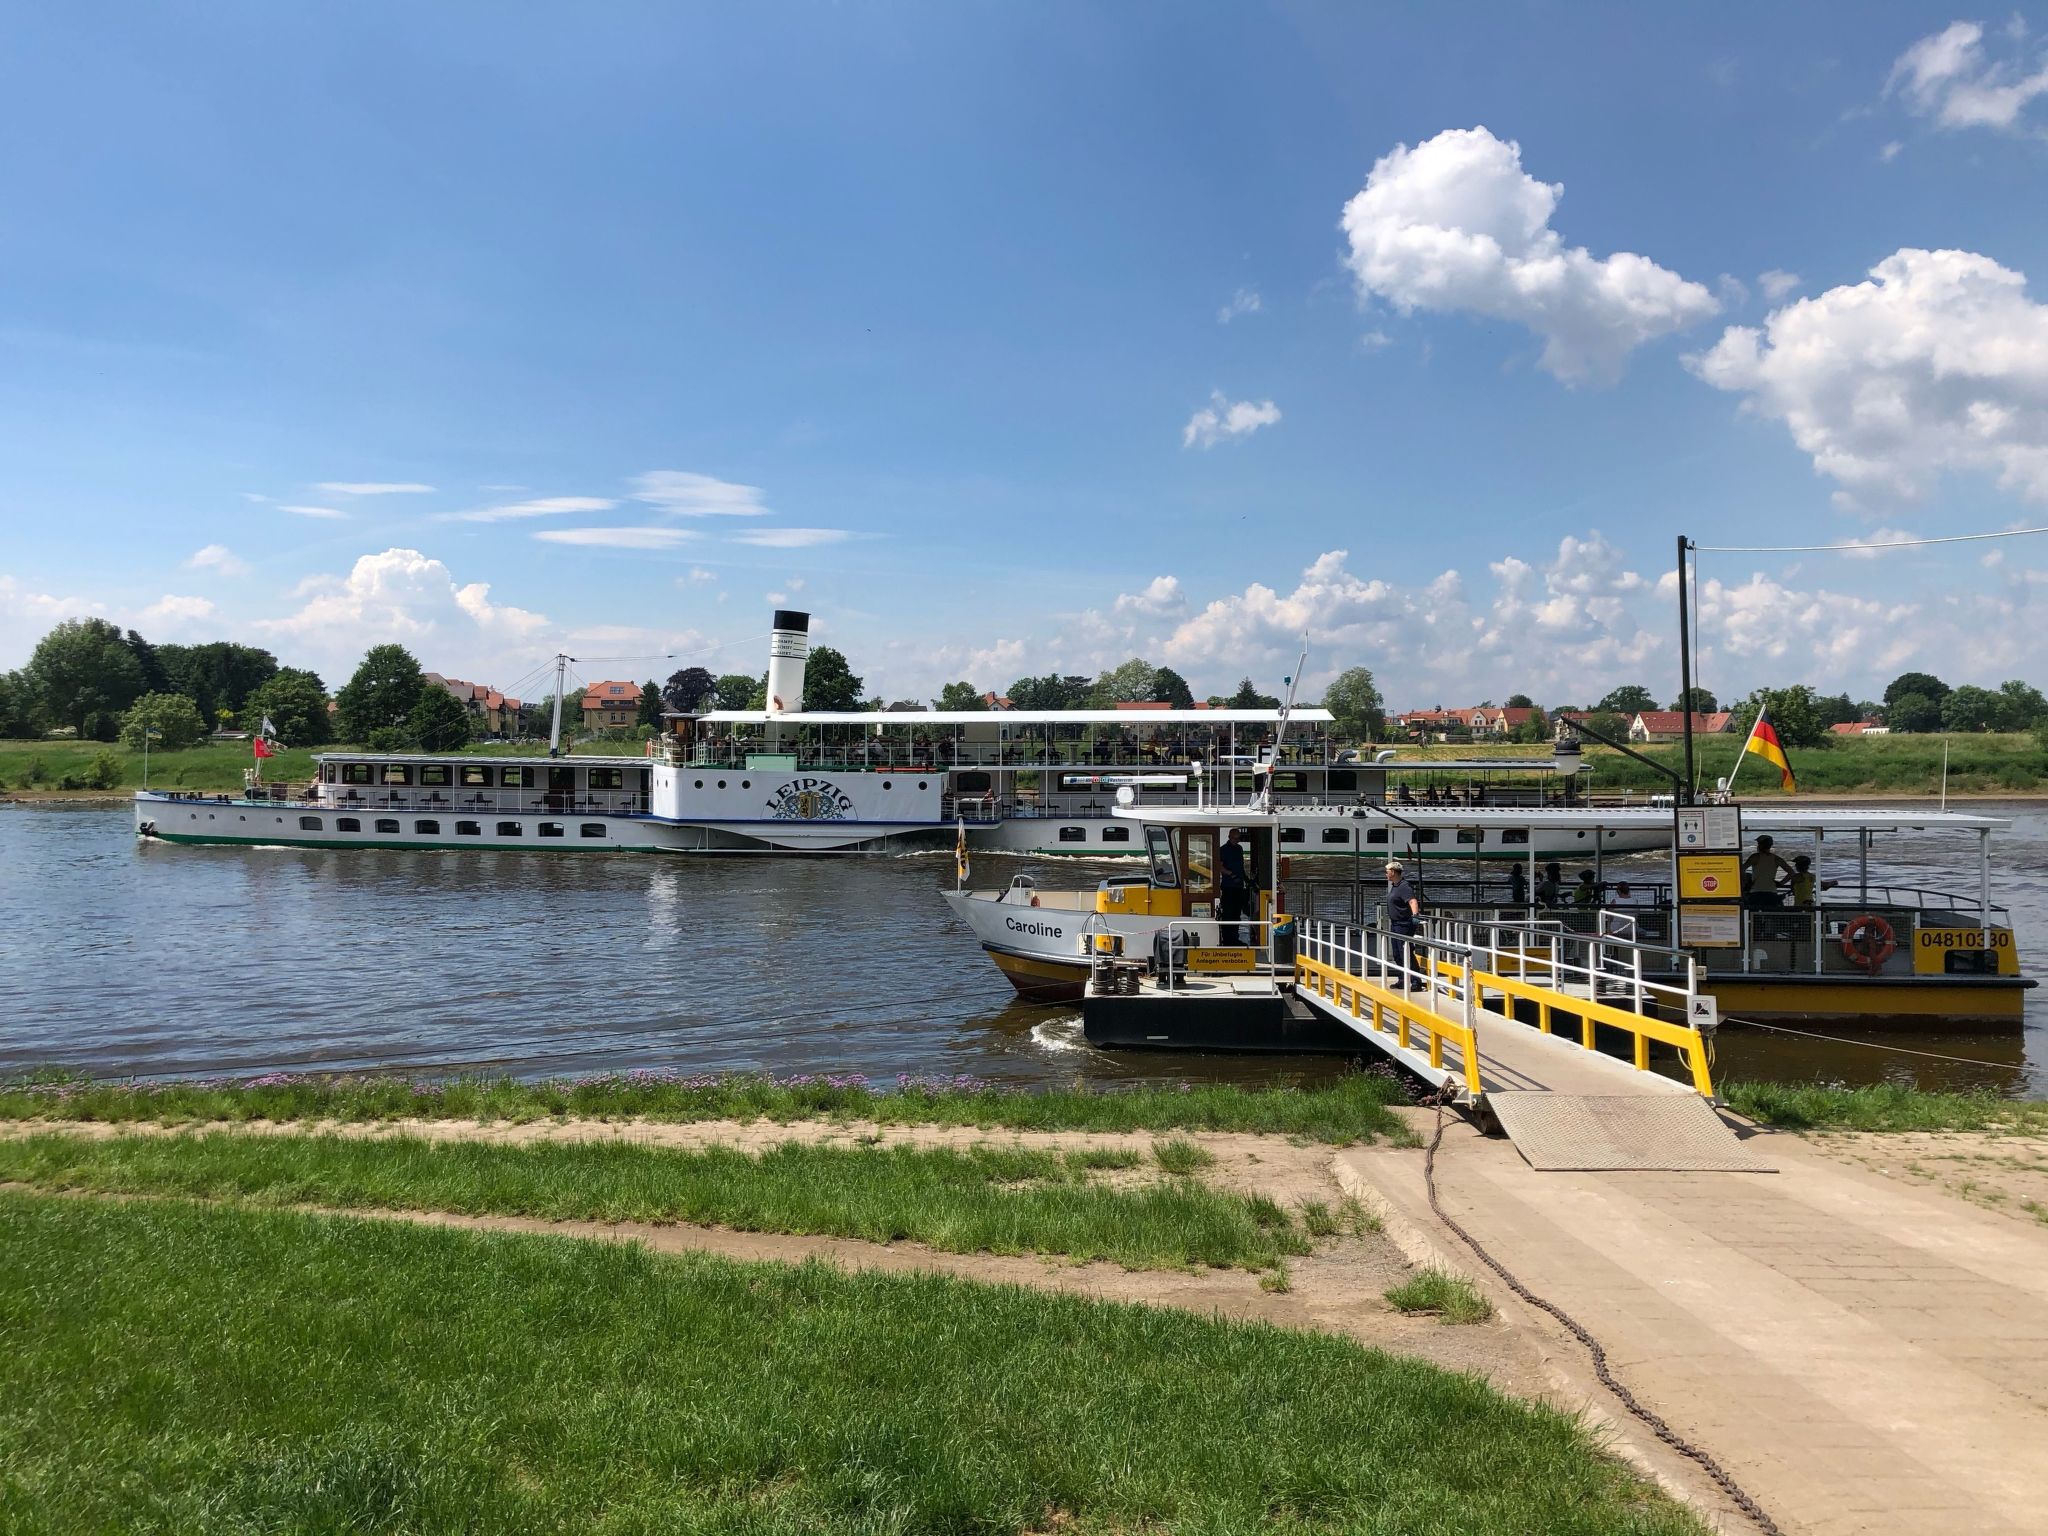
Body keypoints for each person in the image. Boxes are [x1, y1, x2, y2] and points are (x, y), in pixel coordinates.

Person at [1384, 859, 1421, 988]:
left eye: (1387, 872)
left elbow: (1412, 901)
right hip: (1395, 924)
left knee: (1405, 951)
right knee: (1397, 953)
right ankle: (1403, 979)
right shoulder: (1395, 886)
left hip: (1403, 924)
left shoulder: (1404, 886)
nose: (1386, 874)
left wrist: (1415, 916)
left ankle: (1416, 981)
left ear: (1393, 872)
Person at [1217, 828, 1251, 947]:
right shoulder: (1223, 850)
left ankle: (1235, 939)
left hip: (1239, 886)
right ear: (1229, 837)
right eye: (1234, 838)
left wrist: (1246, 879)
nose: (1236, 840)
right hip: (1228, 887)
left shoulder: (1239, 849)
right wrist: (1231, 875)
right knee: (1228, 914)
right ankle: (1227, 940)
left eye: (1238, 838)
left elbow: (1241, 867)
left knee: (1237, 914)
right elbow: (1219, 867)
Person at [1743, 834, 1790, 910]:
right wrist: (1781, 883)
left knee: (1753, 916)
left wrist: (1746, 882)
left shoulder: (1755, 857)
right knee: (1769, 916)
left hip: (1756, 893)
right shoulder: (1776, 858)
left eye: (1758, 844)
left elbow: (1742, 869)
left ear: (1761, 845)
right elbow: (1791, 873)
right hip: (1771, 893)